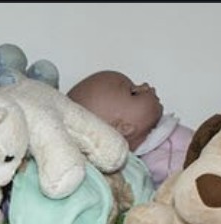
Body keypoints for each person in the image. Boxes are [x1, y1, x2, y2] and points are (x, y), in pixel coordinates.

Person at [66, 70, 194, 186]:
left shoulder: (164, 136)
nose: (145, 86)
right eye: (133, 92)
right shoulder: (158, 162)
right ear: (125, 128)